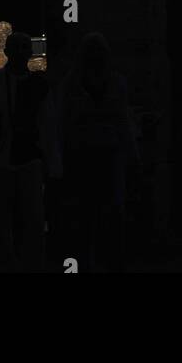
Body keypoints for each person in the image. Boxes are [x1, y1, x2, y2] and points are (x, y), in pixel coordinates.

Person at [0, 32, 50, 272]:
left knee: (30, 220)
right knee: (6, 222)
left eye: (25, 48)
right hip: (1, 160)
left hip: (25, 159)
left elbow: (47, 124)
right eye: (18, 48)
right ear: (8, 52)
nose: (22, 53)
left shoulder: (35, 86)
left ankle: (28, 264)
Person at [58, 32, 138, 272]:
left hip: (102, 152)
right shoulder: (75, 85)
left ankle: (105, 260)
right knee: (92, 212)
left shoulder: (81, 84)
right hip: (88, 153)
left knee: (105, 211)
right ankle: (96, 260)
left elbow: (124, 121)